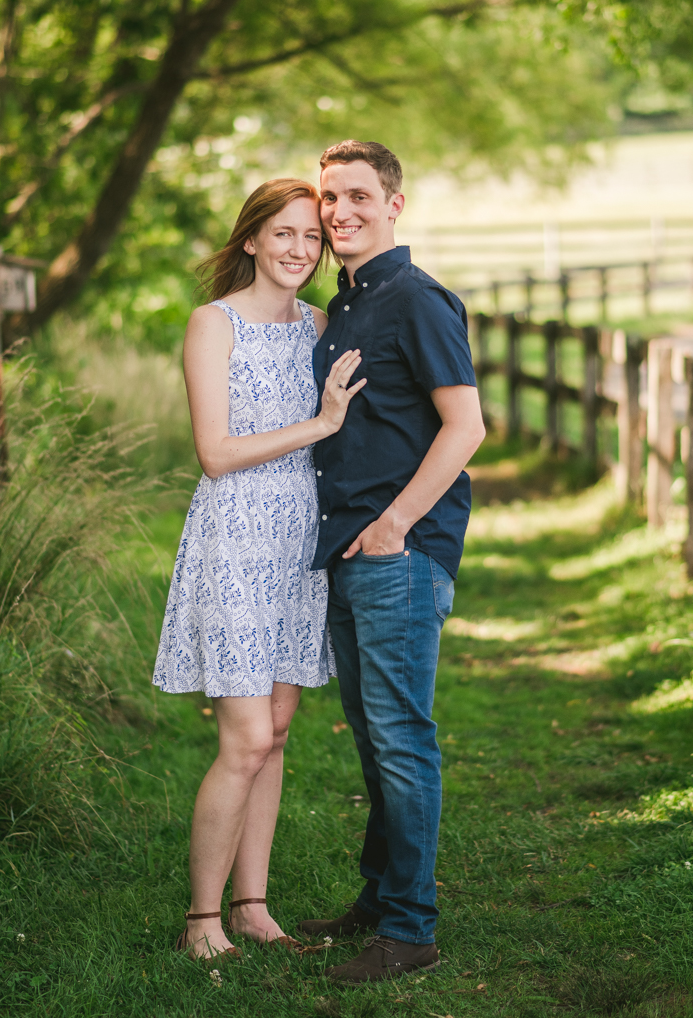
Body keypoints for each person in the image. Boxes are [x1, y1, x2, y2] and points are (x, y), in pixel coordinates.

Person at [152, 178, 366, 961]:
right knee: (243, 739)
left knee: (275, 733)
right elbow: (215, 455)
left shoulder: (319, 324)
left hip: (298, 545)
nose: (299, 250)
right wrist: (320, 423)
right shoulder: (214, 325)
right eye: (283, 234)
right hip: (237, 537)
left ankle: (252, 906)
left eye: (312, 238)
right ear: (250, 238)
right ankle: (200, 922)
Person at [297, 141, 486, 984]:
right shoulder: (346, 304)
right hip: (349, 547)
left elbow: (467, 426)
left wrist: (395, 525)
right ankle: (380, 897)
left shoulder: (413, 297)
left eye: (358, 196)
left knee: (402, 736)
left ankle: (411, 928)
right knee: (375, 739)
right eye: (329, 197)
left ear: (395, 204)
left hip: (397, 552)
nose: (340, 212)